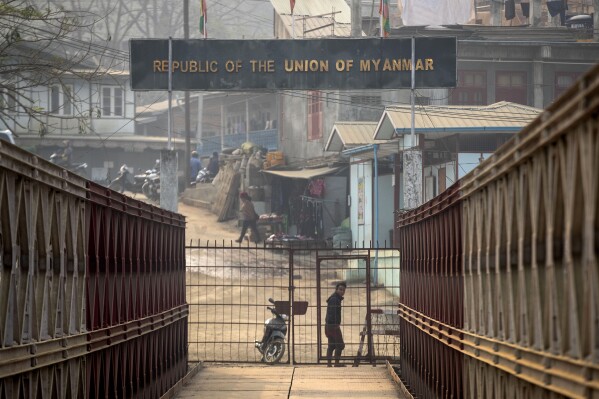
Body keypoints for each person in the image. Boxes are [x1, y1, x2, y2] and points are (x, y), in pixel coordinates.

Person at [325, 281, 347, 367]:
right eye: (340, 289)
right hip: (333, 326)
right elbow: (333, 313)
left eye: (343, 290)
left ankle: (329, 364)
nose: (342, 291)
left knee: (331, 345)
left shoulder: (334, 298)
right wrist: (336, 325)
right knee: (340, 345)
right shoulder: (335, 299)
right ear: (336, 289)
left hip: (328, 326)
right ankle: (336, 363)